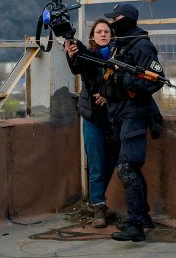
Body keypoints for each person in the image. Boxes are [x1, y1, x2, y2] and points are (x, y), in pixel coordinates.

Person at [102, 3, 164, 242]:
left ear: (126, 20)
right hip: (118, 113)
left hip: (135, 113)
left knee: (127, 168)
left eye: (115, 18)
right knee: (129, 168)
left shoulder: (142, 46)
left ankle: (136, 224)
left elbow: (157, 80)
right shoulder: (119, 44)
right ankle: (143, 216)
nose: (111, 23)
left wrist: (126, 80)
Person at [64, 19, 117, 228]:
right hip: (91, 116)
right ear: (92, 36)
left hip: (113, 117)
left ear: (111, 35)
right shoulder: (87, 55)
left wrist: (108, 95)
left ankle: (98, 200)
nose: (103, 34)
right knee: (96, 162)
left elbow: (124, 83)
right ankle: (99, 206)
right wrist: (71, 55)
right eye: (99, 31)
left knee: (111, 161)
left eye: (106, 31)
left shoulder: (119, 56)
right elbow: (77, 68)